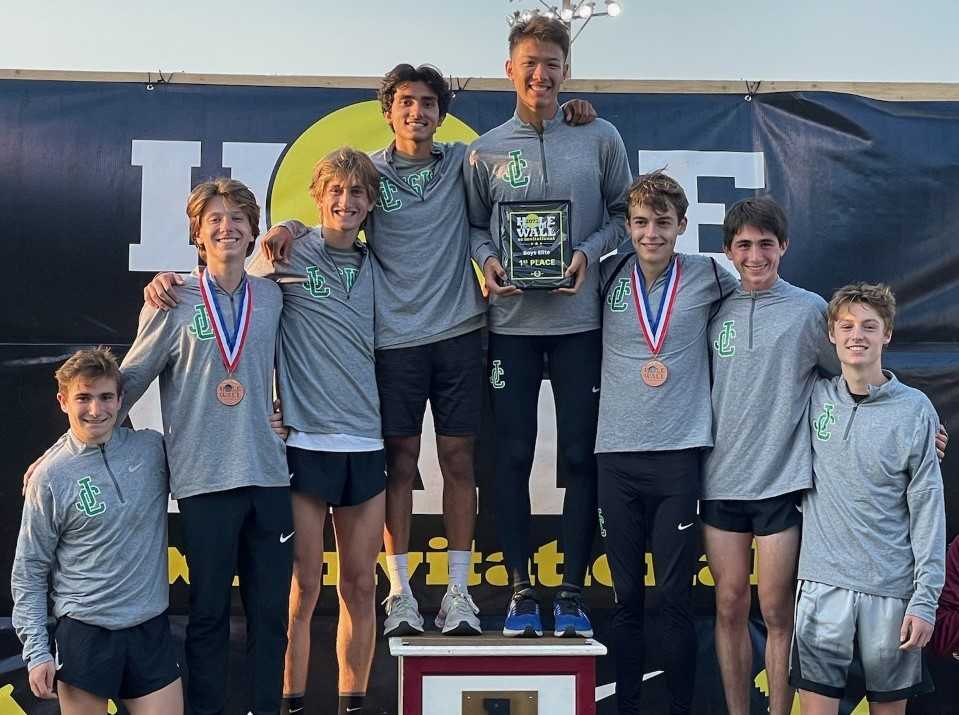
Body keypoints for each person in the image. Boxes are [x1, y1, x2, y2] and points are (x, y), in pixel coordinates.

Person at [254, 64, 598, 639]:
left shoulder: (465, 161)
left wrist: (570, 113)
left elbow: (526, 143)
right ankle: (401, 595)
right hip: (394, 342)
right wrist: (287, 221)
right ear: (388, 111)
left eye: (429, 103)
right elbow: (331, 206)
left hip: (462, 333)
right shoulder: (369, 174)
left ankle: (459, 595)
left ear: (441, 112)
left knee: (461, 463)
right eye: (407, 102)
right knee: (403, 468)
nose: (418, 112)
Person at [464, 15, 631, 638]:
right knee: (509, 458)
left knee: (581, 458)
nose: (541, 74)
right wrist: (488, 261)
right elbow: (476, 227)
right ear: (510, 68)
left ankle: (570, 590)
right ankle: (520, 590)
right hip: (510, 326)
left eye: (553, 63)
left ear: (567, 70)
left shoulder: (600, 136)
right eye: (530, 63)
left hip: (580, 327)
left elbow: (623, 213)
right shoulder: (483, 150)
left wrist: (588, 251)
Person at [122, 179, 292, 715]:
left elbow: (296, 363)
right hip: (204, 481)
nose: (227, 227)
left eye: (238, 218)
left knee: (270, 616)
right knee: (210, 615)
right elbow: (124, 383)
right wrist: (66, 447)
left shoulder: (272, 294)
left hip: (269, 478)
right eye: (214, 219)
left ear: (252, 230)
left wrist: (291, 411)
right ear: (197, 233)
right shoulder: (170, 300)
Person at [248, 148, 385, 715]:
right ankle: (292, 704)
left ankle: (352, 705)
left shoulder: (381, 264)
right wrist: (168, 284)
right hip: (304, 444)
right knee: (302, 587)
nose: (345, 202)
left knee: (359, 586)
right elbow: (226, 288)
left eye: (357, 194)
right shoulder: (284, 253)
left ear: (370, 204)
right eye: (335, 191)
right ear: (317, 194)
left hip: (366, 443)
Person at [595, 171, 738, 714]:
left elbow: (761, 314)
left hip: (679, 460)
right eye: (640, 222)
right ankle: (627, 705)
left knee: (675, 599)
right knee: (626, 598)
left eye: (662, 223)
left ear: (682, 226)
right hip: (616, 459)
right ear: (627, 227)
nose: (650, 233)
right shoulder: (606, 276)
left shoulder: (709, 276)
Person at [701, 196, 836, 715]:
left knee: (777, 611)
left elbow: (850, 373)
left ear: (784, 246)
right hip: (719, 483)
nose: (755, 256)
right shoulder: (712, 307)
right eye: (744, 246)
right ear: (728, 252)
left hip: (782, 483)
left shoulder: (809, 310)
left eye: (765, 244)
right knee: (729, 605)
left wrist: (912, 417)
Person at [790, 283, 946, 715]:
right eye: (847, 325)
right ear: (832, 335)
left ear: (887, 334)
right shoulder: (812, 398)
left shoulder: (915, 410)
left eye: (869, 326)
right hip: (822, 585)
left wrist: (925, 601)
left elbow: (929, 510)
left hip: (891, 593)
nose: (857, 335)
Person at [12, 347, 182, 714]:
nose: (96, 409)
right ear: (63, 402)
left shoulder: (152, 450)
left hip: (148, 629)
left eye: (106, 397)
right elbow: (28, 573)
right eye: (83, 398)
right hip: (85, 635)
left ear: (122, 399)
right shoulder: (50, 477)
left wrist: (272, 425)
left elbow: (209, 450)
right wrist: (37, 652)